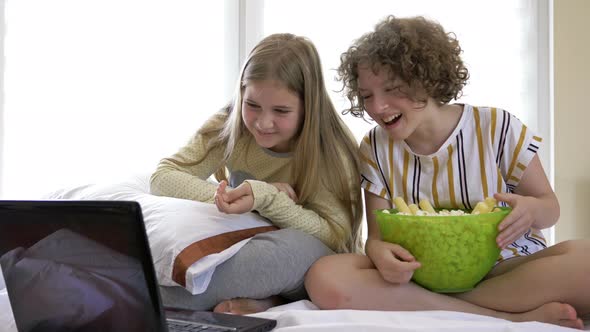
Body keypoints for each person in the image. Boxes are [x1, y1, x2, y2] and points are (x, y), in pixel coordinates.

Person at [304, 15, 589, 330]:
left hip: (505, 267)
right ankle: (504, 316)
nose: (378, 106)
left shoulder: (497, 127)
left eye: (392, 89)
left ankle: (445, 306)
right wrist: (382, 255)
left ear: (427, 79)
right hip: (421, 274)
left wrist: (532, 210)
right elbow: (376, 240)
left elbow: (551, 209)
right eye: (367, 95)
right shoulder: (374, 147)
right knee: (323, 276)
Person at [150, 33, 363, 315]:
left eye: (281, 110)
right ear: (241, 93)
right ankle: (269, 299)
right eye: (252, 105)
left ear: (308, 107)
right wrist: (230, 198)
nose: (263, 123)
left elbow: (335, 236)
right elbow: (164, 175)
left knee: (289, 250)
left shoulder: (330, 150)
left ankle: (152, 300)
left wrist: (267, 199)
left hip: (313, 257)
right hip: (249, 241)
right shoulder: (230, 126)